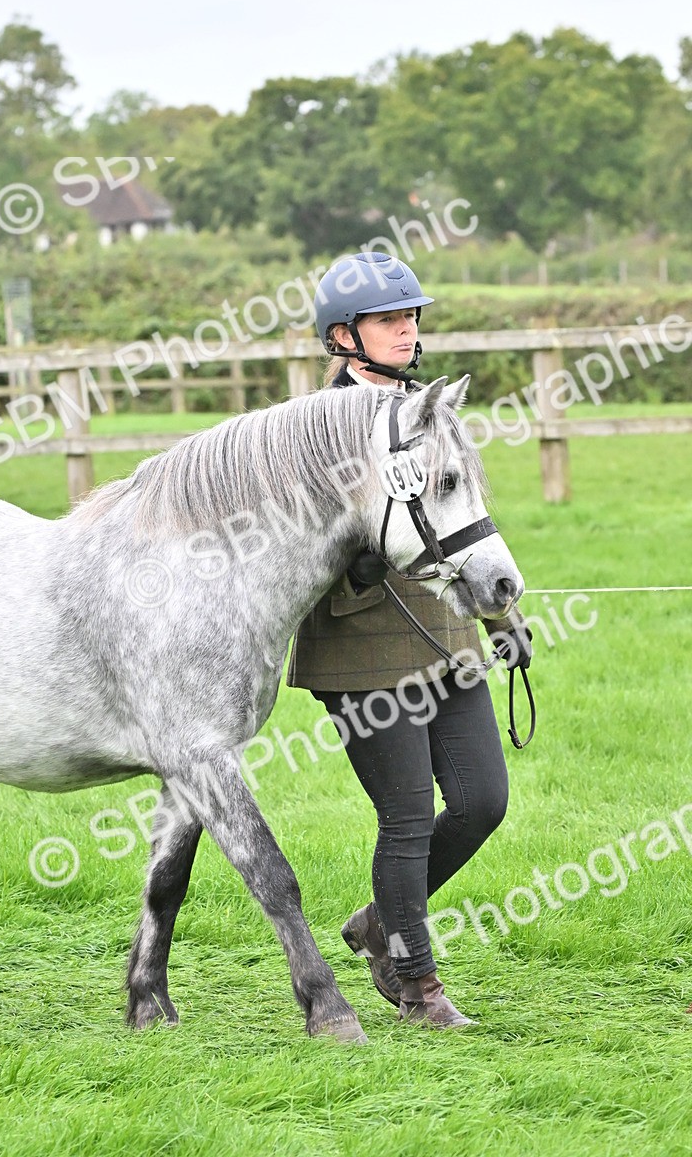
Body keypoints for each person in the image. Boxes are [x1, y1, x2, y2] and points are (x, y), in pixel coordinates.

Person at [287, 252, 531, 1029]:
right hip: (360, 651)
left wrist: (501, 619)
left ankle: (377, 923)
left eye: (411, 316)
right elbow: (284, 558)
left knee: (482, 802)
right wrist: (354, 567)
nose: (407, 328)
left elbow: (464, 522)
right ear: (342, 335)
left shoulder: (429, 412)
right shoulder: (312, 431)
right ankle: (417, 986)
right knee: (409, 821)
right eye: (389, 318)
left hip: (447, 638)